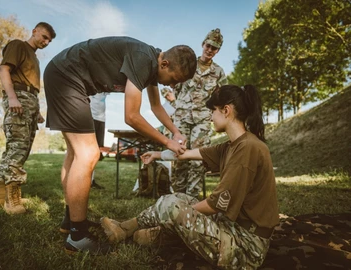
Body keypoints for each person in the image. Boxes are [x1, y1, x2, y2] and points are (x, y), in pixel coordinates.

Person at [43, 36, 197, 255]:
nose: (172, 86)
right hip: (67, 76)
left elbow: (155, 106)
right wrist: (167, 142)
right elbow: (131, 116)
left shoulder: (152, 62)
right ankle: (77, 237)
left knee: (75, 154)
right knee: (88, 154)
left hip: (63, 74)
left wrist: (175, 131)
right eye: (174, 79)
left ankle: (71, 221)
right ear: (165, 64)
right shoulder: (144, 59)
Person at [101, 84, 279, 269]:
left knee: (173, 205)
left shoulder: (247, 148)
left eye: (213, 111)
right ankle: (138, 231)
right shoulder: (232, 145)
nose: (210, 117)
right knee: (178, 198)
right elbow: (188, 153)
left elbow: (216, 204)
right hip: (231, 227)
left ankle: (129, 230)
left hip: (246, 247)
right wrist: (157, 154)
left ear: (226, 110)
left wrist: (179, 214)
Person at [0, 22, 56, 215]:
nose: (46, 42)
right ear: (34, 31)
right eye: (44, 37)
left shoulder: (34, 58)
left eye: (49, 41)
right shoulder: (18, 45)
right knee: (18, 148)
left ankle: (0, 196)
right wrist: (12, 98)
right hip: (18, 98)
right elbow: (4, 70)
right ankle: (12, 201)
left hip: (30, 101)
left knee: (20, 149)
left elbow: (31, 85)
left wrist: (37, 111)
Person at [172, 28, 227, 199]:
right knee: (178, 157)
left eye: (215, 48)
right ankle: (177, 199)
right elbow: (175, 86)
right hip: (181, 119)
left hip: (202, 120)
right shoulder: (188, 64)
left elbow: (223, 96)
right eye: (208, 45)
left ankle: (192, 201)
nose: (210, 50)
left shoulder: (219, 72)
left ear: (218, 50)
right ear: (203, 44)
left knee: (198, 160)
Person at [89, 92, 108, 189]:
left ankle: (91, 180)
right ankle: (85, 179)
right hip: (90, 117)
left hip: (101, 120)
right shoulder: (90, 82)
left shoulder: (105, 85)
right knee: (87, 151)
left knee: (96, 151)